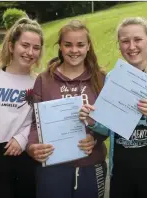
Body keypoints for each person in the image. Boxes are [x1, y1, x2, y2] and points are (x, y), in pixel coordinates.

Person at [80, 17, 147, 198]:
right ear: (119, 45)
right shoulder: (114, 77)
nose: (131, 46)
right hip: (122, 173)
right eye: (125, 41)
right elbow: (110, 126)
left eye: (137, 40)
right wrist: (93, 120)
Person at [26, 19, 108, 198]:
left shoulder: (101, 79)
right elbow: (34, 122)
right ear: (60, 47)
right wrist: (32, 147)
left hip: (91, 166)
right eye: (68, 44)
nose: (74, 50)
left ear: (88, 47)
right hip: (52, 168)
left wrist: (95, 138)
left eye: (80, 45)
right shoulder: (44, 79)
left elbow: (109, 123)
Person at [0, 18, 44, 198]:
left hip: (24, 157)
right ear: (11, 46)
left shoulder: (39, 83)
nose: (30, 52)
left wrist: (22, 137)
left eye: (36, 48)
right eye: (25, 45)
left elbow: (41, 119)